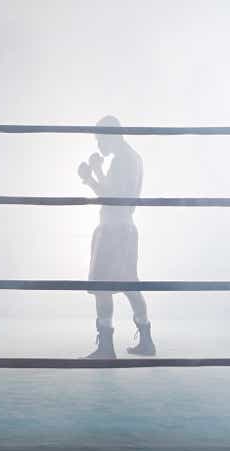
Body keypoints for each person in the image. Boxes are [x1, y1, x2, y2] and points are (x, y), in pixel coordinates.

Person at [77, 115, 154, 359]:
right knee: (130, 284)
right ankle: (146, 340)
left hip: (113, 229)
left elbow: (110, 198)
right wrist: (99, 172)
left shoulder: (122, 161)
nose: (98, 146)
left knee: (102, 287)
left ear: (111, 136)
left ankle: (106, 348)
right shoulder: (133, 158)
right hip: (127, 228)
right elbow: (118, 195)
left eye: (100, 140)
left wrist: (90, 178)